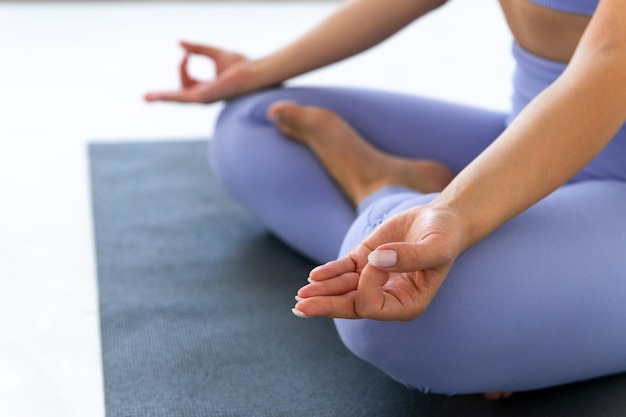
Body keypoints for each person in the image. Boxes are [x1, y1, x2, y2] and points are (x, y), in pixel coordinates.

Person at [145, 0, 626, 400]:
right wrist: (258, 70)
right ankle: (509, 286)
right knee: (251, 126)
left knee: (401, 321)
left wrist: (454, 210)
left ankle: (380, 190)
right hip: (527, 136)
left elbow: (609, 57)